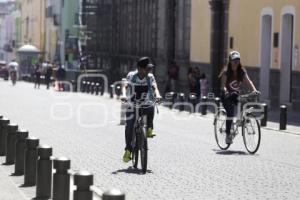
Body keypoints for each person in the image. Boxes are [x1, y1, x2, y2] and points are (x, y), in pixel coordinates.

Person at [120, 57, 162, 163]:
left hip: (145, 103)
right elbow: (125, 86)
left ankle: (149, 128)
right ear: (139, 68)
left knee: (151, 106)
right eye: (146, 69)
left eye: (149, 69)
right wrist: (124, 95)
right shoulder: (131, 76)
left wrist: (158, 95)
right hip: (132, 104)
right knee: (129, 125)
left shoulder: (150, 76)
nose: (148, 71)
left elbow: (154, 87)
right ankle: (128, 149)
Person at [219, 51, 259, 144]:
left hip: (235, 94)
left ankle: (242, 119)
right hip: (226, 95)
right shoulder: (226, 72)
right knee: (230, 113)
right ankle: (228, 135)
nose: (236, 62)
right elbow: (223, 86)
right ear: (230, 61)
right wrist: (226, 91)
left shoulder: (241, 71)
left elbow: (249, 81)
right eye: (234, 60)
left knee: (244, 102)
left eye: (238, 60)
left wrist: (254, 90)